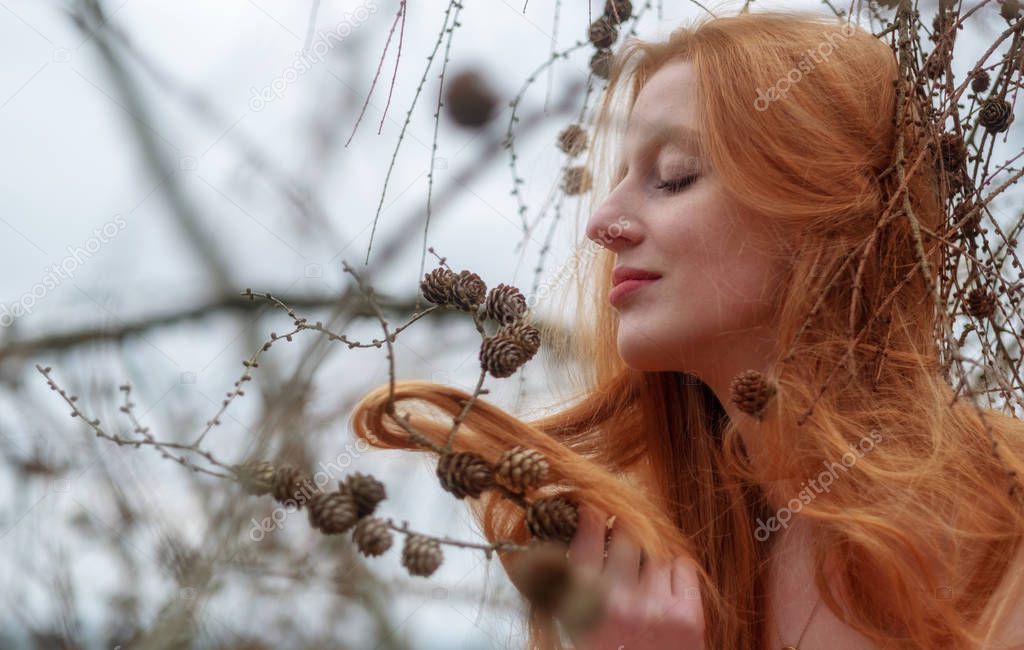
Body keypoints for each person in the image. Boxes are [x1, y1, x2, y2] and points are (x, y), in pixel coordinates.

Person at [352, 10, 1024, 649]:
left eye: (673, 177)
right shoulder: (649, 564)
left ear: (824, 209)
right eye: (618, 178)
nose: (602, 222)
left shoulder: (1005, 525)